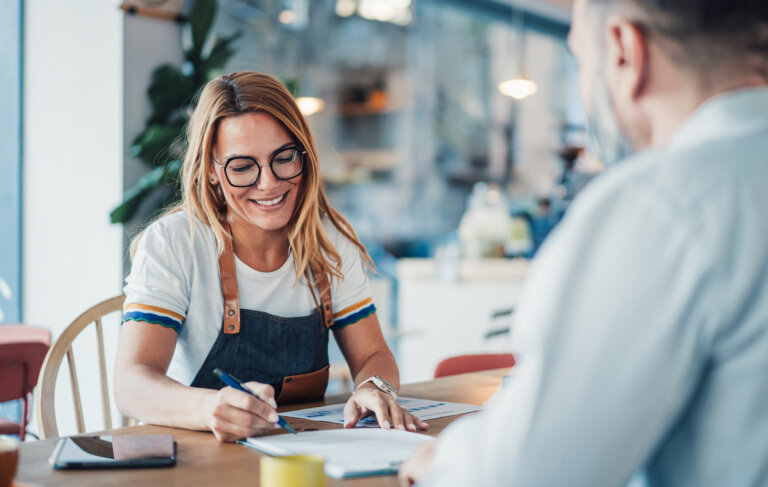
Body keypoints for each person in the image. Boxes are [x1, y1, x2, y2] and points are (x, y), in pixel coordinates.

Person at [400, 0, 768, 485]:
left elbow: (529, 474)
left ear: (623, 51)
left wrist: (446, 463)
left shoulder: (660, 201)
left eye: (580, 60)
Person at [114, 71, 427, 442]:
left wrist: (374, 388)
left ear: (303, 154)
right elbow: (130, 383)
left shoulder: (328, 240)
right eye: (243, 167)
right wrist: (208, 408)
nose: (269, 183)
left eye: (283, 157)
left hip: (303, 452)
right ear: (212, 171)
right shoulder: (175, 242)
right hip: (201, 458)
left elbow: (374, 352)